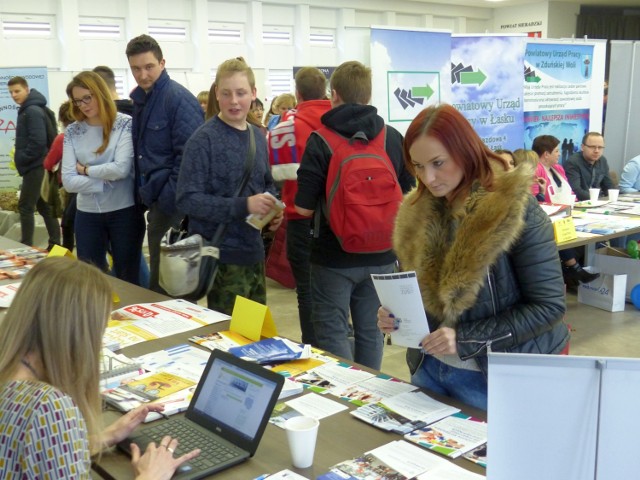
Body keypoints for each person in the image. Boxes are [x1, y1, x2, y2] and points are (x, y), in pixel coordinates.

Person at [377, 104, 569, 410]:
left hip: (494, 378)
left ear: (465, 151)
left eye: (438, 163)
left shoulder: (515, 209)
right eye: (418, 166)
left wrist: (464, 339)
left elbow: (549, 307)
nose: (429, 177)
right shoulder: (417, 213)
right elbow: (426, 297)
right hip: (429, 368)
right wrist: (396, 317)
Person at [0, 256, 199, 478]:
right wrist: (152, 475)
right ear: (78, 334)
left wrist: (101, 439)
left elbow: (33, 454)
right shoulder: (47, 406)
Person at [295, 60, 414, 370]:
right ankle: (369, 394)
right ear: (369, 96)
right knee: (372, 331)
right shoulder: (391, 137)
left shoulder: (320, 140)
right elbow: (409, 196)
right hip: (383, 255)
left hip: (333, 257)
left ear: (334, 94)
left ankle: (346, 397)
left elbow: (304, 207)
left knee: (332, 331)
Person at [176, 57, 282, 315]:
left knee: (255, 336)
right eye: (226, 93)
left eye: (241, 93)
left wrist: (273, 209)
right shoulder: (203, 140)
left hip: (254, 253)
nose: (234, 101)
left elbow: (266, 183)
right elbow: (187, 199)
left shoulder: (258, 135)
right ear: (216, 94)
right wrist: (243, 205)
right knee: (231, 339)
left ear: (254, 94)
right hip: (220, 257)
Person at [125, 34, 204, 293]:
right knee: (160, 280)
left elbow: (189, 160)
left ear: (162, 63)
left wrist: (166, 201)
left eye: (149, 66)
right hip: (154, 200)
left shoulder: (179, 99)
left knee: (172, 285)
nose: (143, 74)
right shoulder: (141, 100)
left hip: (173, 206)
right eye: (136, 68)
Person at [61, 71, 145, 285]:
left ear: (100, 93)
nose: (83, 105)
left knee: (128, 276)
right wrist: (102, 181)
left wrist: (87, 170)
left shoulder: (125, 123)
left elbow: (121, 169)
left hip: (124, 211)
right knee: (89, 277)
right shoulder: (72, 131)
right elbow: (69, 181)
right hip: (87, 213)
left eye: (87, 97)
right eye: (78, 101)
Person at [268, 66, 332, 346]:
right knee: (336, 293)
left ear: (297, 93)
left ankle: (313, 348)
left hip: (299, 219)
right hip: (336, 220)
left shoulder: (286, 126)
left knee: (306, 292)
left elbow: (276, 172)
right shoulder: (339, 119)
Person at [93, 65, 151, 287]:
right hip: (134, 195)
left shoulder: (114, 120)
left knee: (129, 260)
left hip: (115, 199)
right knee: (127, 256)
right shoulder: (138, 111)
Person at [531, 135, 599, 286]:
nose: (559, 154)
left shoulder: (558, 168)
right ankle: (573, 267)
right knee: (560, 227)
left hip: (567, 211)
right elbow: (536, 198)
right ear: (546, 154)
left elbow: (570, 192)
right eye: (556, 151)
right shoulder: (536, 170)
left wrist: (576, 206)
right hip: (548, 215)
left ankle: (572, 267)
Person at [7, 76, 61, 250]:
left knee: (25, 206)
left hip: (35, 165)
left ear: (27, 89)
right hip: (38, 165)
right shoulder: (30, 109)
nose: (14, 95)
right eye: (11, 92)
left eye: (17, 91)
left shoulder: (31, 111)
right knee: (44, 206)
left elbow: (38, 142)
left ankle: (26, 247)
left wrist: (23, 158)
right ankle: (54, 244)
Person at [44, 101, 76, 251]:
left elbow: (48, 163)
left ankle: (67, 257)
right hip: (89, 185)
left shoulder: (62, 138)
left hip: (68, 186)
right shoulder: (90, 134)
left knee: (67, 225)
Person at [564, 132, 615, 201]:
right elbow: (576, 190)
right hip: (580, 203)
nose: (596, 151)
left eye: (600, 147)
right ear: (582, 147)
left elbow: (608, 185)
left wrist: (612, 198)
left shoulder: (602, 160)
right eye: (592, 147)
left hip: (598, 202)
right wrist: (597, 200)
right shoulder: (573, 162)